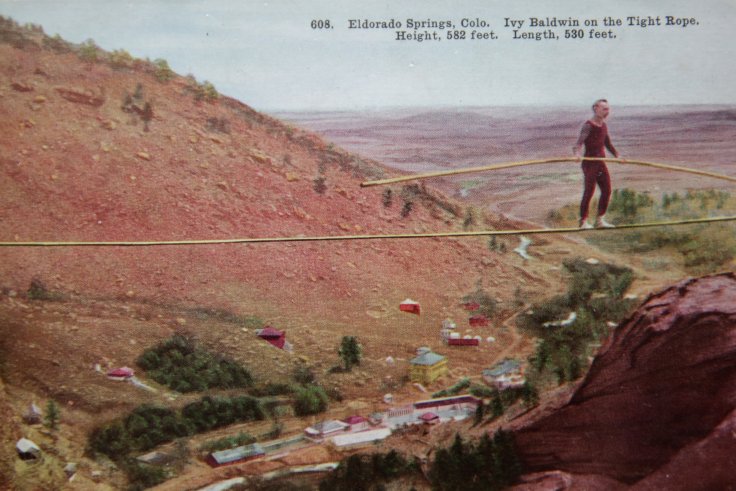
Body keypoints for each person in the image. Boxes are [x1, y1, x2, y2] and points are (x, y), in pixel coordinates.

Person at [573, 99, 620, 229]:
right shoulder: (588, 125)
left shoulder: (604, 126)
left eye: (608, 109)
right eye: (604, 109)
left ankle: (599, 220)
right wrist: (577, 154)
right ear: (595, 109)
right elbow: (578, 144)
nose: (607, 112)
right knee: (589, 191)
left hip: (600, 163)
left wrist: (617, 156)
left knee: (607, 190)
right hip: (590, 163)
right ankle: (583, 222)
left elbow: (608, 144)